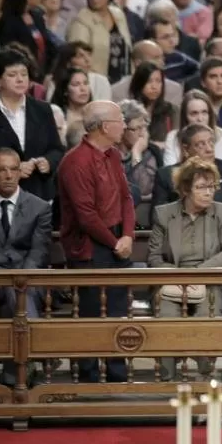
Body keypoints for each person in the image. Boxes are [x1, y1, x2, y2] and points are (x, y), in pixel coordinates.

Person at [56, 101, 135, 383]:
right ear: (104, 126)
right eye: (120, 119)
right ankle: (88, 379)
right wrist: (115, 242)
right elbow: (86, 216)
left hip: (116, 242)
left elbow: (126, 197)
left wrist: (127, 235)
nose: (124, 125)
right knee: (90, 316)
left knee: (118, 313)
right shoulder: (75, 162)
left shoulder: (113, 155)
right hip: (89, 248)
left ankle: (117, 374)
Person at [148, 157, 222, 380]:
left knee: (207, 313)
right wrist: (178, 277)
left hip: (209, 279)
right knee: (167, 314)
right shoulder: (164, 214)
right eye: (201, 187)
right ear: (185, 189)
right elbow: (154, 257)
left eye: (212, 187)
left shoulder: (220, 212)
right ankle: (167, 379)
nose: (209, 193)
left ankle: (205, 376)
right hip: (172, 280)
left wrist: (199, 273)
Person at [0, 147, 52, 385]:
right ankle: (36, 351)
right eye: (1, 170)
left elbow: (39, 251)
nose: (8, 175)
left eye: (13, 169)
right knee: (12, 288)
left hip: (28, 274)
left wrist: (21, 276)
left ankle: (14, 371)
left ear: (20, 173)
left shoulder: (39, 207)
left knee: (16, 289)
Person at [0, 49, 64, 199]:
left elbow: (56, 149)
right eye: (12, 75)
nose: (20, 79)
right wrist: (10, 169)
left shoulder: (43, 109)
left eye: (24, 74)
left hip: (36, 194)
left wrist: (48, 162)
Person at [66, 0, 132, 85]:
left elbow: (128, 49)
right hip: (96, 83)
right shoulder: (81, 20)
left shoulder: (118, 15)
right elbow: (78, 61)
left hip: (123, 80)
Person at [162, 90, 222, 166]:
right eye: (194, 113)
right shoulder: (173, 137)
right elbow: (170, 171)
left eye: (204, 112)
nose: (200, 119)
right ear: (185, 117)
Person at [128, 60, 178, 145]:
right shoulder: (128, 110)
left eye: (158, 81)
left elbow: (176, 142)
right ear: (139, 84)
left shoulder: (171, 110)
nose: (154, 87)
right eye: (149, 81)